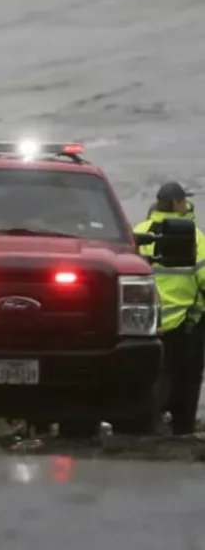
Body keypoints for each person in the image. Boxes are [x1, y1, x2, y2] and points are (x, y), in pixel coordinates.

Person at [133, 180, 205, 435]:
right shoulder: (195, 237)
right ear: (176, 203)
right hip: (186, 326)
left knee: (148, 382)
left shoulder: (138, 232)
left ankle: (143, 428)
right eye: (183, 200)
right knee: (187, 384)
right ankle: (182, 430)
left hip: (144, 326)